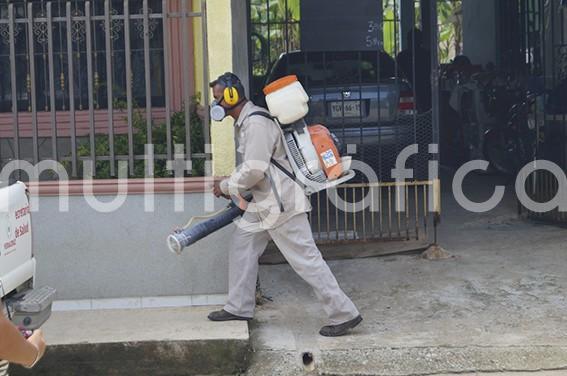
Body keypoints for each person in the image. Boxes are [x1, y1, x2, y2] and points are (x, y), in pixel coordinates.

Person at [208, 72, 362, 337]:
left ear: (232, 95)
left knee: (306, 260)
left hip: (281, 205)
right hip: (265, 202)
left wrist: (226, 186)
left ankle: (344, 313)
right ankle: (238, 306)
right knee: (242, 245)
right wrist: (236, 185)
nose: (216, 105)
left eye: (218, 98)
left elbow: (254, 170)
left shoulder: (255, 123)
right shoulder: (247, 122)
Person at [396, 28, 432, 113]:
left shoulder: (402, 56)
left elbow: (397, 73)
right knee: (423, 112)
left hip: (414, 88)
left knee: (410, 114)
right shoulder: (426, 54)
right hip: (418, 88)